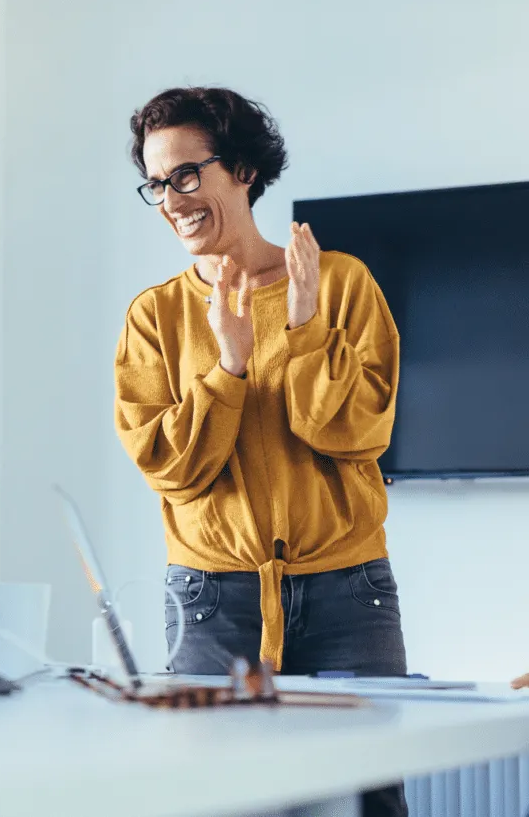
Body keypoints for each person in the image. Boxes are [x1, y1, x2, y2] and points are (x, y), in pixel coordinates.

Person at [114, 90, 405, 815]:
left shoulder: (341, 284)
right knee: (217, 797)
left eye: (187, 174)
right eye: (156, 183)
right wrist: (229, 369)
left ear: (241, 168)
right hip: (214, 602)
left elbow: (357, 431)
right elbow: (171, 469)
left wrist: (304, 328)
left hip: (350, 594)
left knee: (371, 797)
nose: (171, 199)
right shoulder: (155, 316)